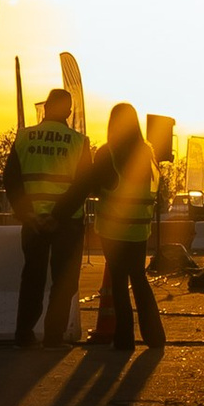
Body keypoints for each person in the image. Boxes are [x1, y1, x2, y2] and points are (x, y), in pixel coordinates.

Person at [59, 101, 165, 351]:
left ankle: (124, 340)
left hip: (114, 229)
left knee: (118, 283)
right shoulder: (148, 154)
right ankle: (155, 337)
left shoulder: (109, 153)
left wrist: (61, 210)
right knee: (139, 279)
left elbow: (92, 185)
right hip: (140, 230)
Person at [4, 87, 89, 346]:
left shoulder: (24, 137)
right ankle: (53, 336)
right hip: (67, 223)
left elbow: (11, 179)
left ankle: (24, 334)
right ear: (69, 110)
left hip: (33, 222)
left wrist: (26, 213)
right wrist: (58, 215)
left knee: (32, 278)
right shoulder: (78, 141)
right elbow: (83, 185)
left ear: (45, 108)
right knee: (63, 281)